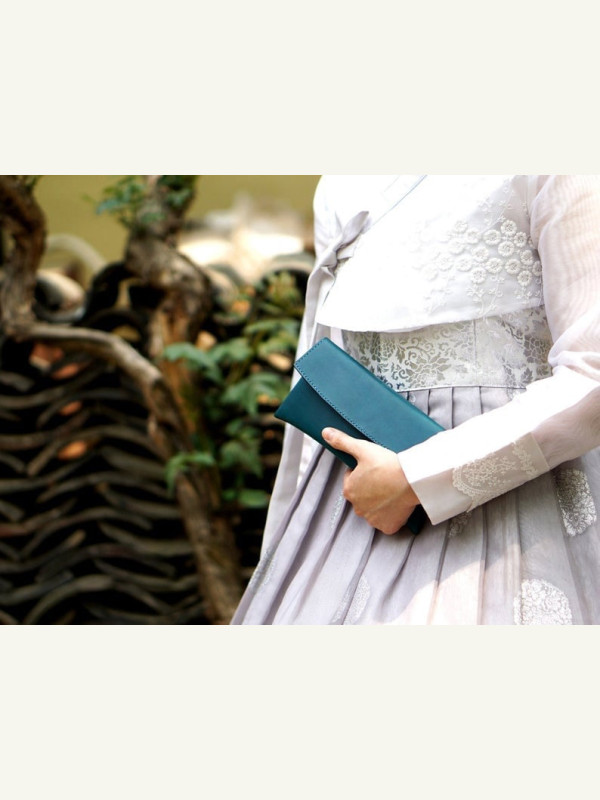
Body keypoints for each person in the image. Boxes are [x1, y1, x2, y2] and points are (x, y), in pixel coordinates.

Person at [231, 175, 600, 625]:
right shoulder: (342, 180)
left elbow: (592, 374)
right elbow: (329, 357)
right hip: (350, 498)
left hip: (517, 508)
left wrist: (416, 477)